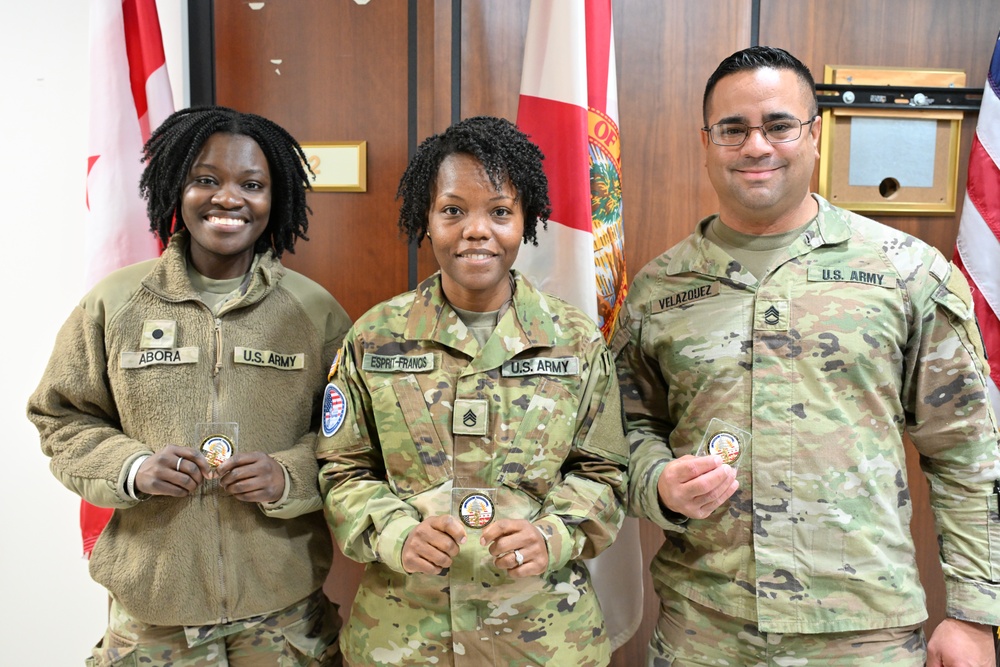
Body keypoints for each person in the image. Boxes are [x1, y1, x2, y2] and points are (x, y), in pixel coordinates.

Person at [614, 46, 1000, 666]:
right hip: (704, 631)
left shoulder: (904, 272)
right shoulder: (661, 290)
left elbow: (967, 451)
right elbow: (622, 432)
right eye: (732, 129)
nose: (756, 146)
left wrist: (975, 617)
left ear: (815, 135)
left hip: (863, 634)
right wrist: (656, 482)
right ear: (707, 140)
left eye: (779, 125)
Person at [27, 106, 351, 666]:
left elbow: (352, 439)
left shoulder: (314, 312)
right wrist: (131, 467)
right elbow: (61, 417)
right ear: (176, 188)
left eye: (252, 184)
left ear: (275, 200)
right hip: (153, 614)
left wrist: (288, 474)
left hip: (281, 613)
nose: (228, 198)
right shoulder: (116, 302)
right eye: (206, 179)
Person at [317, 115, 629, 666]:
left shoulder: (576, 342)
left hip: (543, 638)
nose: (477, 230)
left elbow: (606, 473)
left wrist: (554, 534)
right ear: (427, 220)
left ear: (525, 221)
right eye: (453, 210)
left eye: (500, 211)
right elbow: (341, 470)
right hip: (403, 640)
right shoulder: (375, 337)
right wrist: (394, 533)